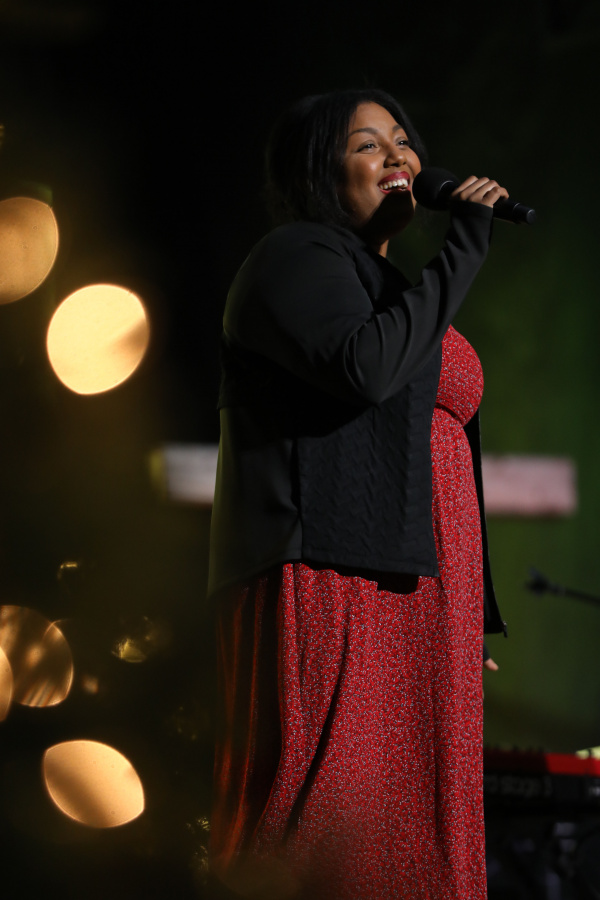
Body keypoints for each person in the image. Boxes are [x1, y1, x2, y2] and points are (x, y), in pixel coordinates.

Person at [207, 88, 507, 900]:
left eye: (403, 141)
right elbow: (365, 370)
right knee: (337, 818)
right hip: (336, 577)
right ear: (317, 173)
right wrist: (464, 247)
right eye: (369, 145)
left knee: (418, 831)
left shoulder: (385, 284)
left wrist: (461, 610)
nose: (400, 157)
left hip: (414, 588)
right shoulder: (293, 258)